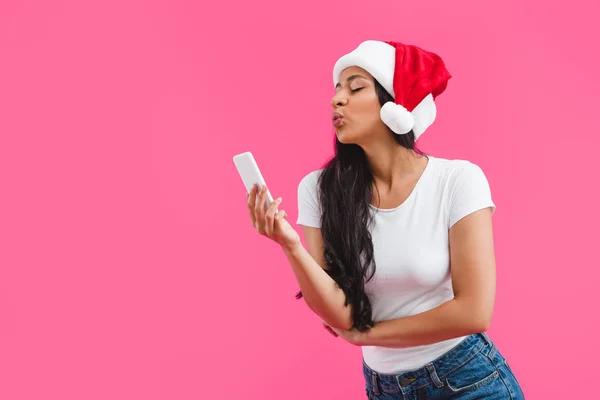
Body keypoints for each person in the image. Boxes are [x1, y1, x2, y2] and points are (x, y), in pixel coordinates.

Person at [245, 40, 525, 399]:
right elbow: (340, 315)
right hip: (385, 388)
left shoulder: (457, 180)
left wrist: (367, 335)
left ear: (395, 107)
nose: (336, 99)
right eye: (336, 89)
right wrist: (290, 245)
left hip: (467, 379)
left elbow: (474, 312)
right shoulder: (319, 190)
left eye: (356, 87)